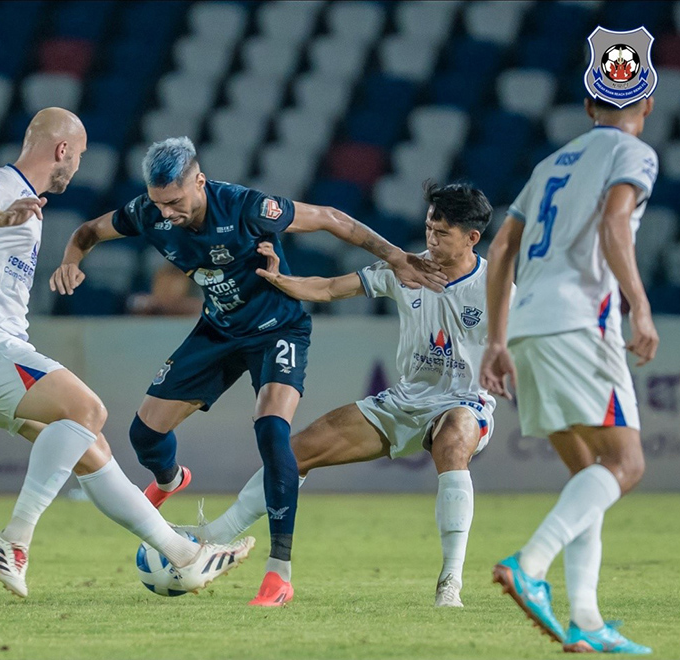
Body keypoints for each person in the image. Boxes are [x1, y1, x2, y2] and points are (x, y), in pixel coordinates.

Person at [50, 136, 447, 606]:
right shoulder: (146, 212)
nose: (167, 213)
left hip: (278, 329)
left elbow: (330, 218)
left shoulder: (246, 207)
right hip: (217, 329)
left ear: (199, 181)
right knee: (144, 436)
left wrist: (395, 256)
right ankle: (170, 480)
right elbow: (88, 232)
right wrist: (71, 262)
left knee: (273, 433)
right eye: (159, 203)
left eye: (175, 201)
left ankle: (279, 573)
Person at [0, 108, 253, 600]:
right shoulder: (0, 184)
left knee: (91, 451)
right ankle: (14, 540)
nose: (77, 166)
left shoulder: (27, 201)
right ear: (62, 150)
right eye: (78, 156)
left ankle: (185, 556)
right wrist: (2, 215)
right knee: (89, 410)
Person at [187, 181, 499, 608]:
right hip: (406, 399)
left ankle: (450, 583)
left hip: (465, 401)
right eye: (429, 226)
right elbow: (331, 288)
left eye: (442, 232)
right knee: (295, 452)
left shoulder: (497, 288)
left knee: (452, 439)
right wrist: (281, 280)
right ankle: (214, 538)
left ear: (472, 238)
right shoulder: (405, 268)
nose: (431, 238)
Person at [479, 95, 659, 653]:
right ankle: (530, 565)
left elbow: (503, 244)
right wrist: (640, 305)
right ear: (647, 103)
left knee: (590, 474)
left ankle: (585, 620)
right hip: (580, 322)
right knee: (626, 464)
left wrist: (496, 339)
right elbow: (614, 222)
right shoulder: (633, 153)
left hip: (530, 324)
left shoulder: (550, 164)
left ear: (587, 105)